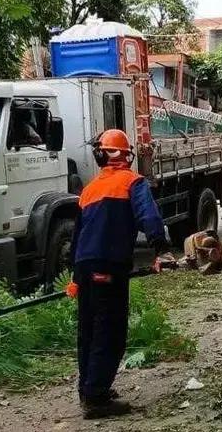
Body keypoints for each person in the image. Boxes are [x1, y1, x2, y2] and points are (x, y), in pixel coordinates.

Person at [69, 129, 172, 419]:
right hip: (109, 265)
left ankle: (89, 386)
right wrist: (160, 250)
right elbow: (148, 217)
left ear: (100, 156)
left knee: (87, 330)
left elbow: (77, 237)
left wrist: (75, 276)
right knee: (109, 330)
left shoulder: (88, 190)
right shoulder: (132, 182)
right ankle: (96, 398)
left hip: (84, 266)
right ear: (126, 155)